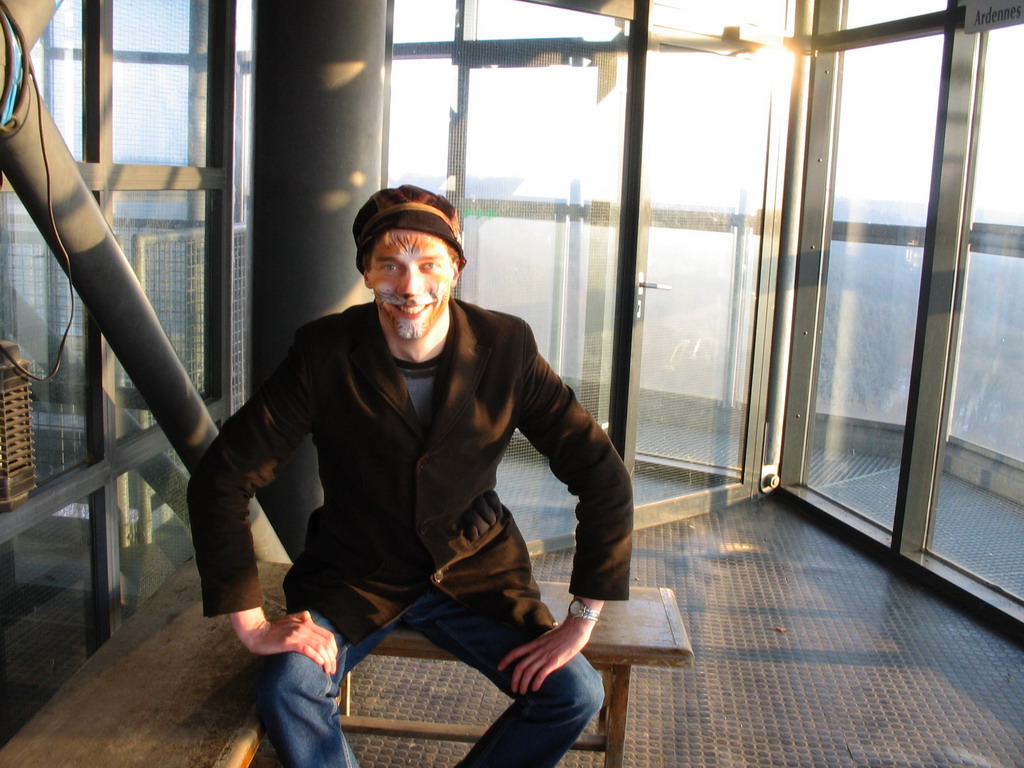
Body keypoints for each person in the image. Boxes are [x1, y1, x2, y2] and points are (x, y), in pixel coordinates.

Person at [187, 185, 634, 768]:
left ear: (455, 268)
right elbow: (222, 477)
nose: (410, 287)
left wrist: (582, 619)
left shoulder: (507, 345)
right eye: (390, 266)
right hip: (355, 572)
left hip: (475, 571)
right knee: (285, 688)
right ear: (367, 272)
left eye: (428, 265)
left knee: (576, 694)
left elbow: (602, 474)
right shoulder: (324, 351)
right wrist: (251, 626)